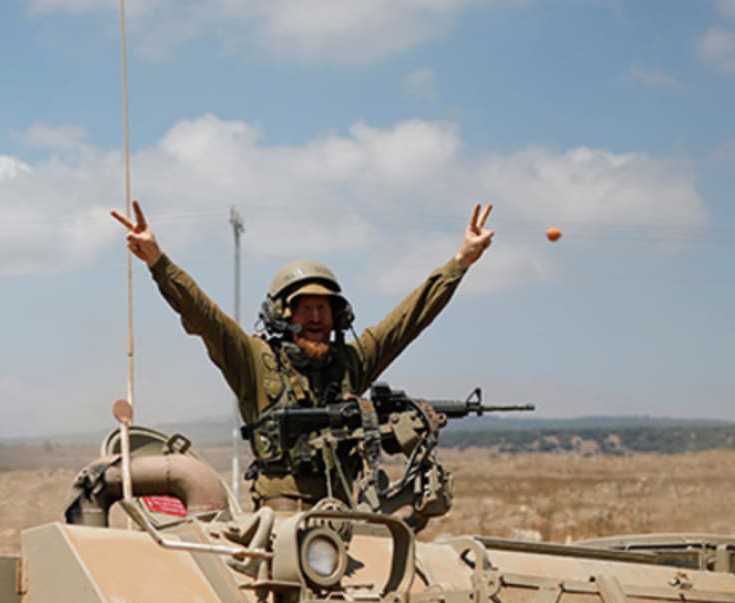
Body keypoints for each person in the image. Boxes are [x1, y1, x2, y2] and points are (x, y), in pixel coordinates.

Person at [110, 200, 494, 509]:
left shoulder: (351, 362)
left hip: (343, 506)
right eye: (304, 307)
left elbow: (408, 320)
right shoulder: (253, 361)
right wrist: (159, 263)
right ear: (284, 315)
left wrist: (460, 263)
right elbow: (204, 316)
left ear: (337, 315)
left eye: (323, 308)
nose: (315, 317)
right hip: (280, 509)